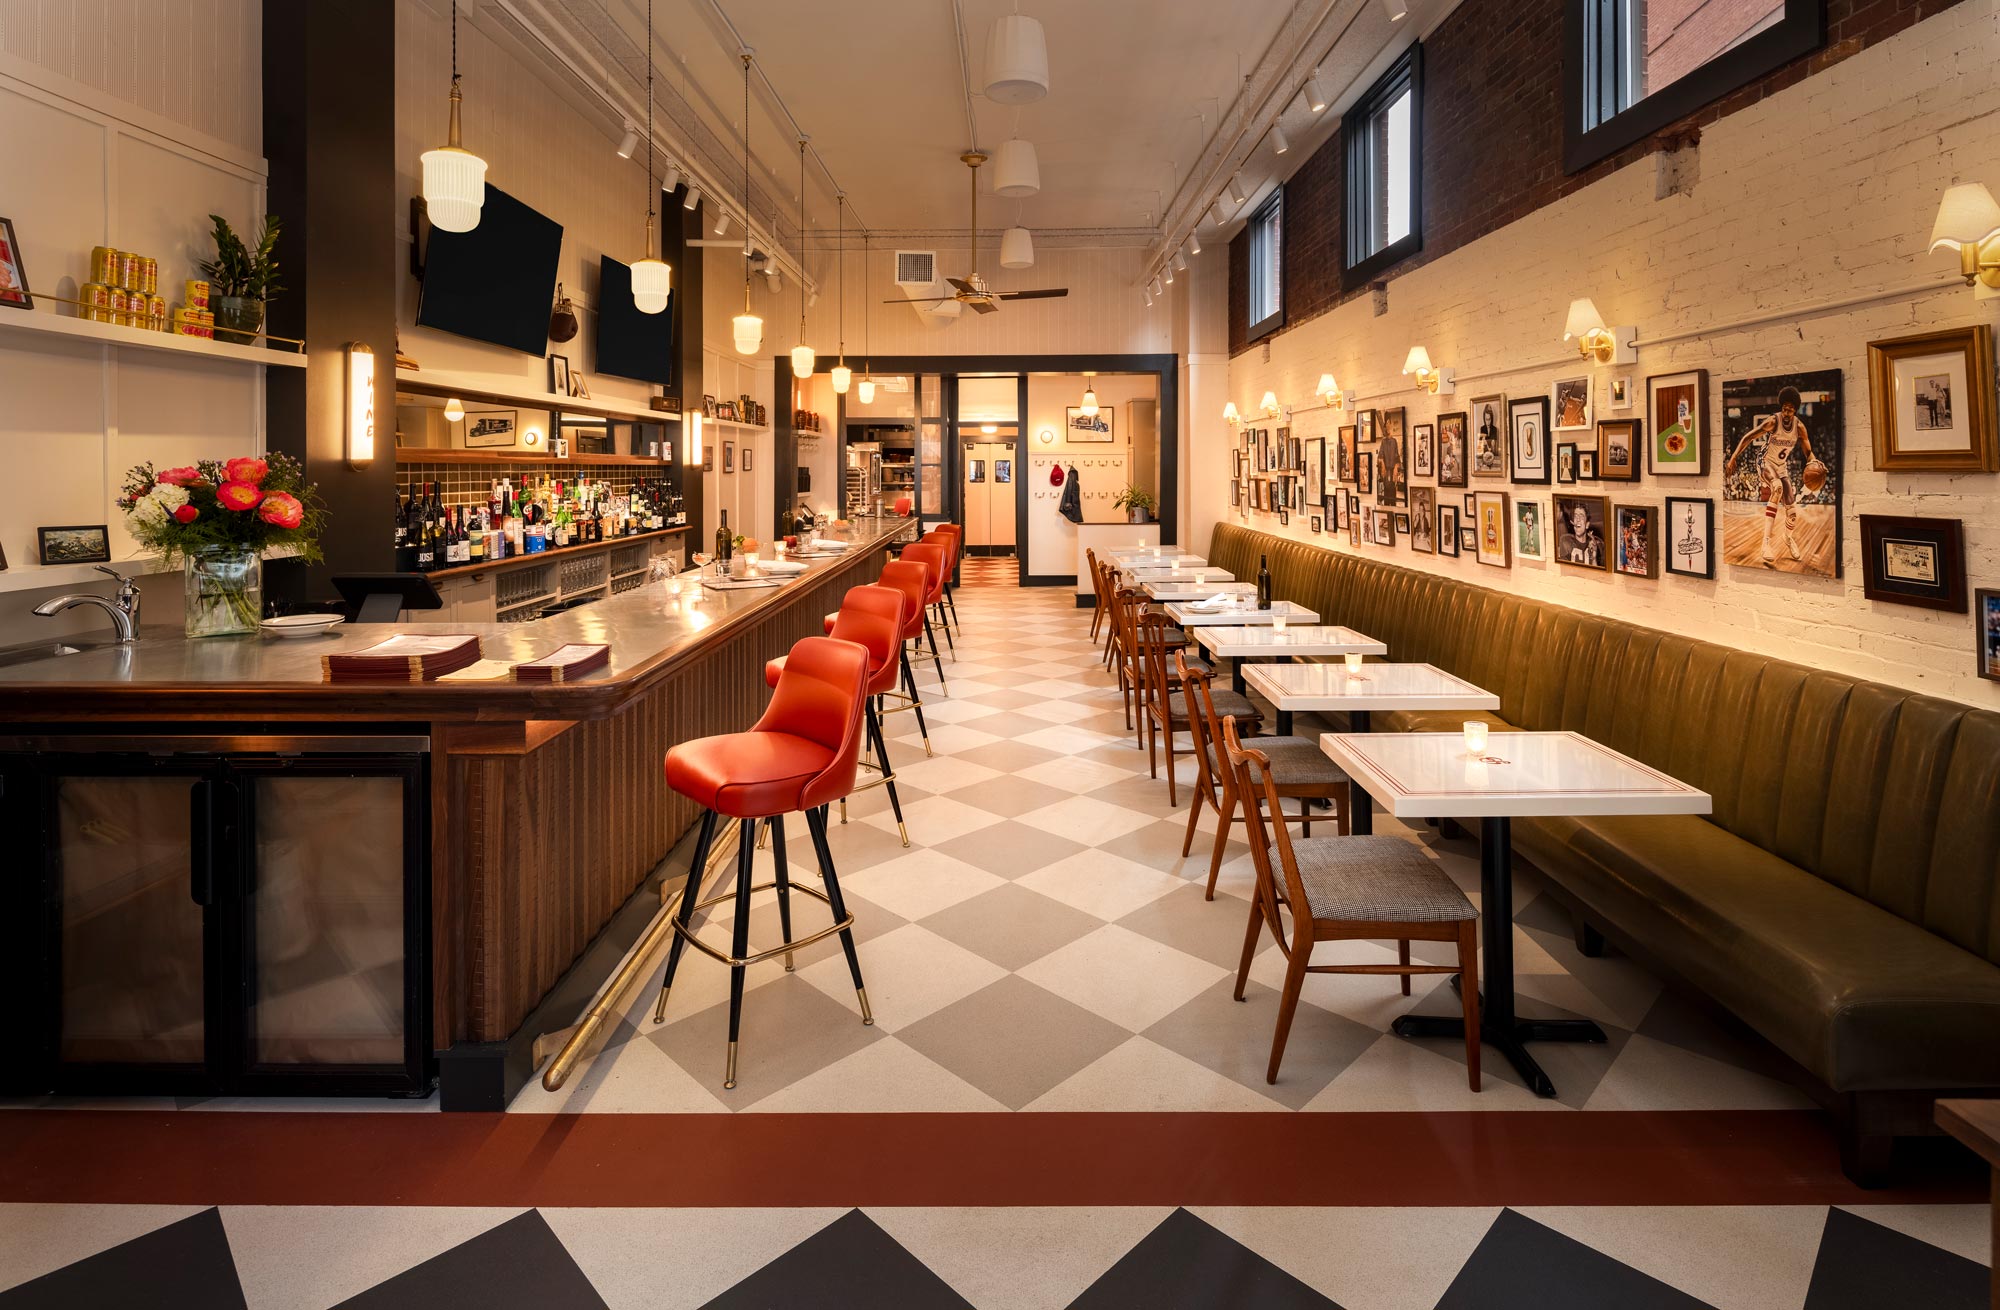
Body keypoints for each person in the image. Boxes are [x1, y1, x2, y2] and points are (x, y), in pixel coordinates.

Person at [1724, 384, 1817, 566]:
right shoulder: (1773, 421)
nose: (1787, 411)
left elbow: (1808, 452)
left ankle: (1788, 538)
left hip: (1781, 467)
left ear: (1795, 410)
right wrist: (1733, 457)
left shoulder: (1800, 427)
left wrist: (1814, 462)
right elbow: (1748, 437)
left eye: (1790, 409)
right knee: (1777, 487)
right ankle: (1766, 543)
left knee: (1792, 512)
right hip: (1765, 461)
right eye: (1784, 408)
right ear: (1782, 406)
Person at [1558, 501, 1602, 566]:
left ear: (1587, 524)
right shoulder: (1565, 541)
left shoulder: (1597, 544)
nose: (1578, 519)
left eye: (1581, 516)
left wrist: (1593, 558)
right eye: (1575, 516)